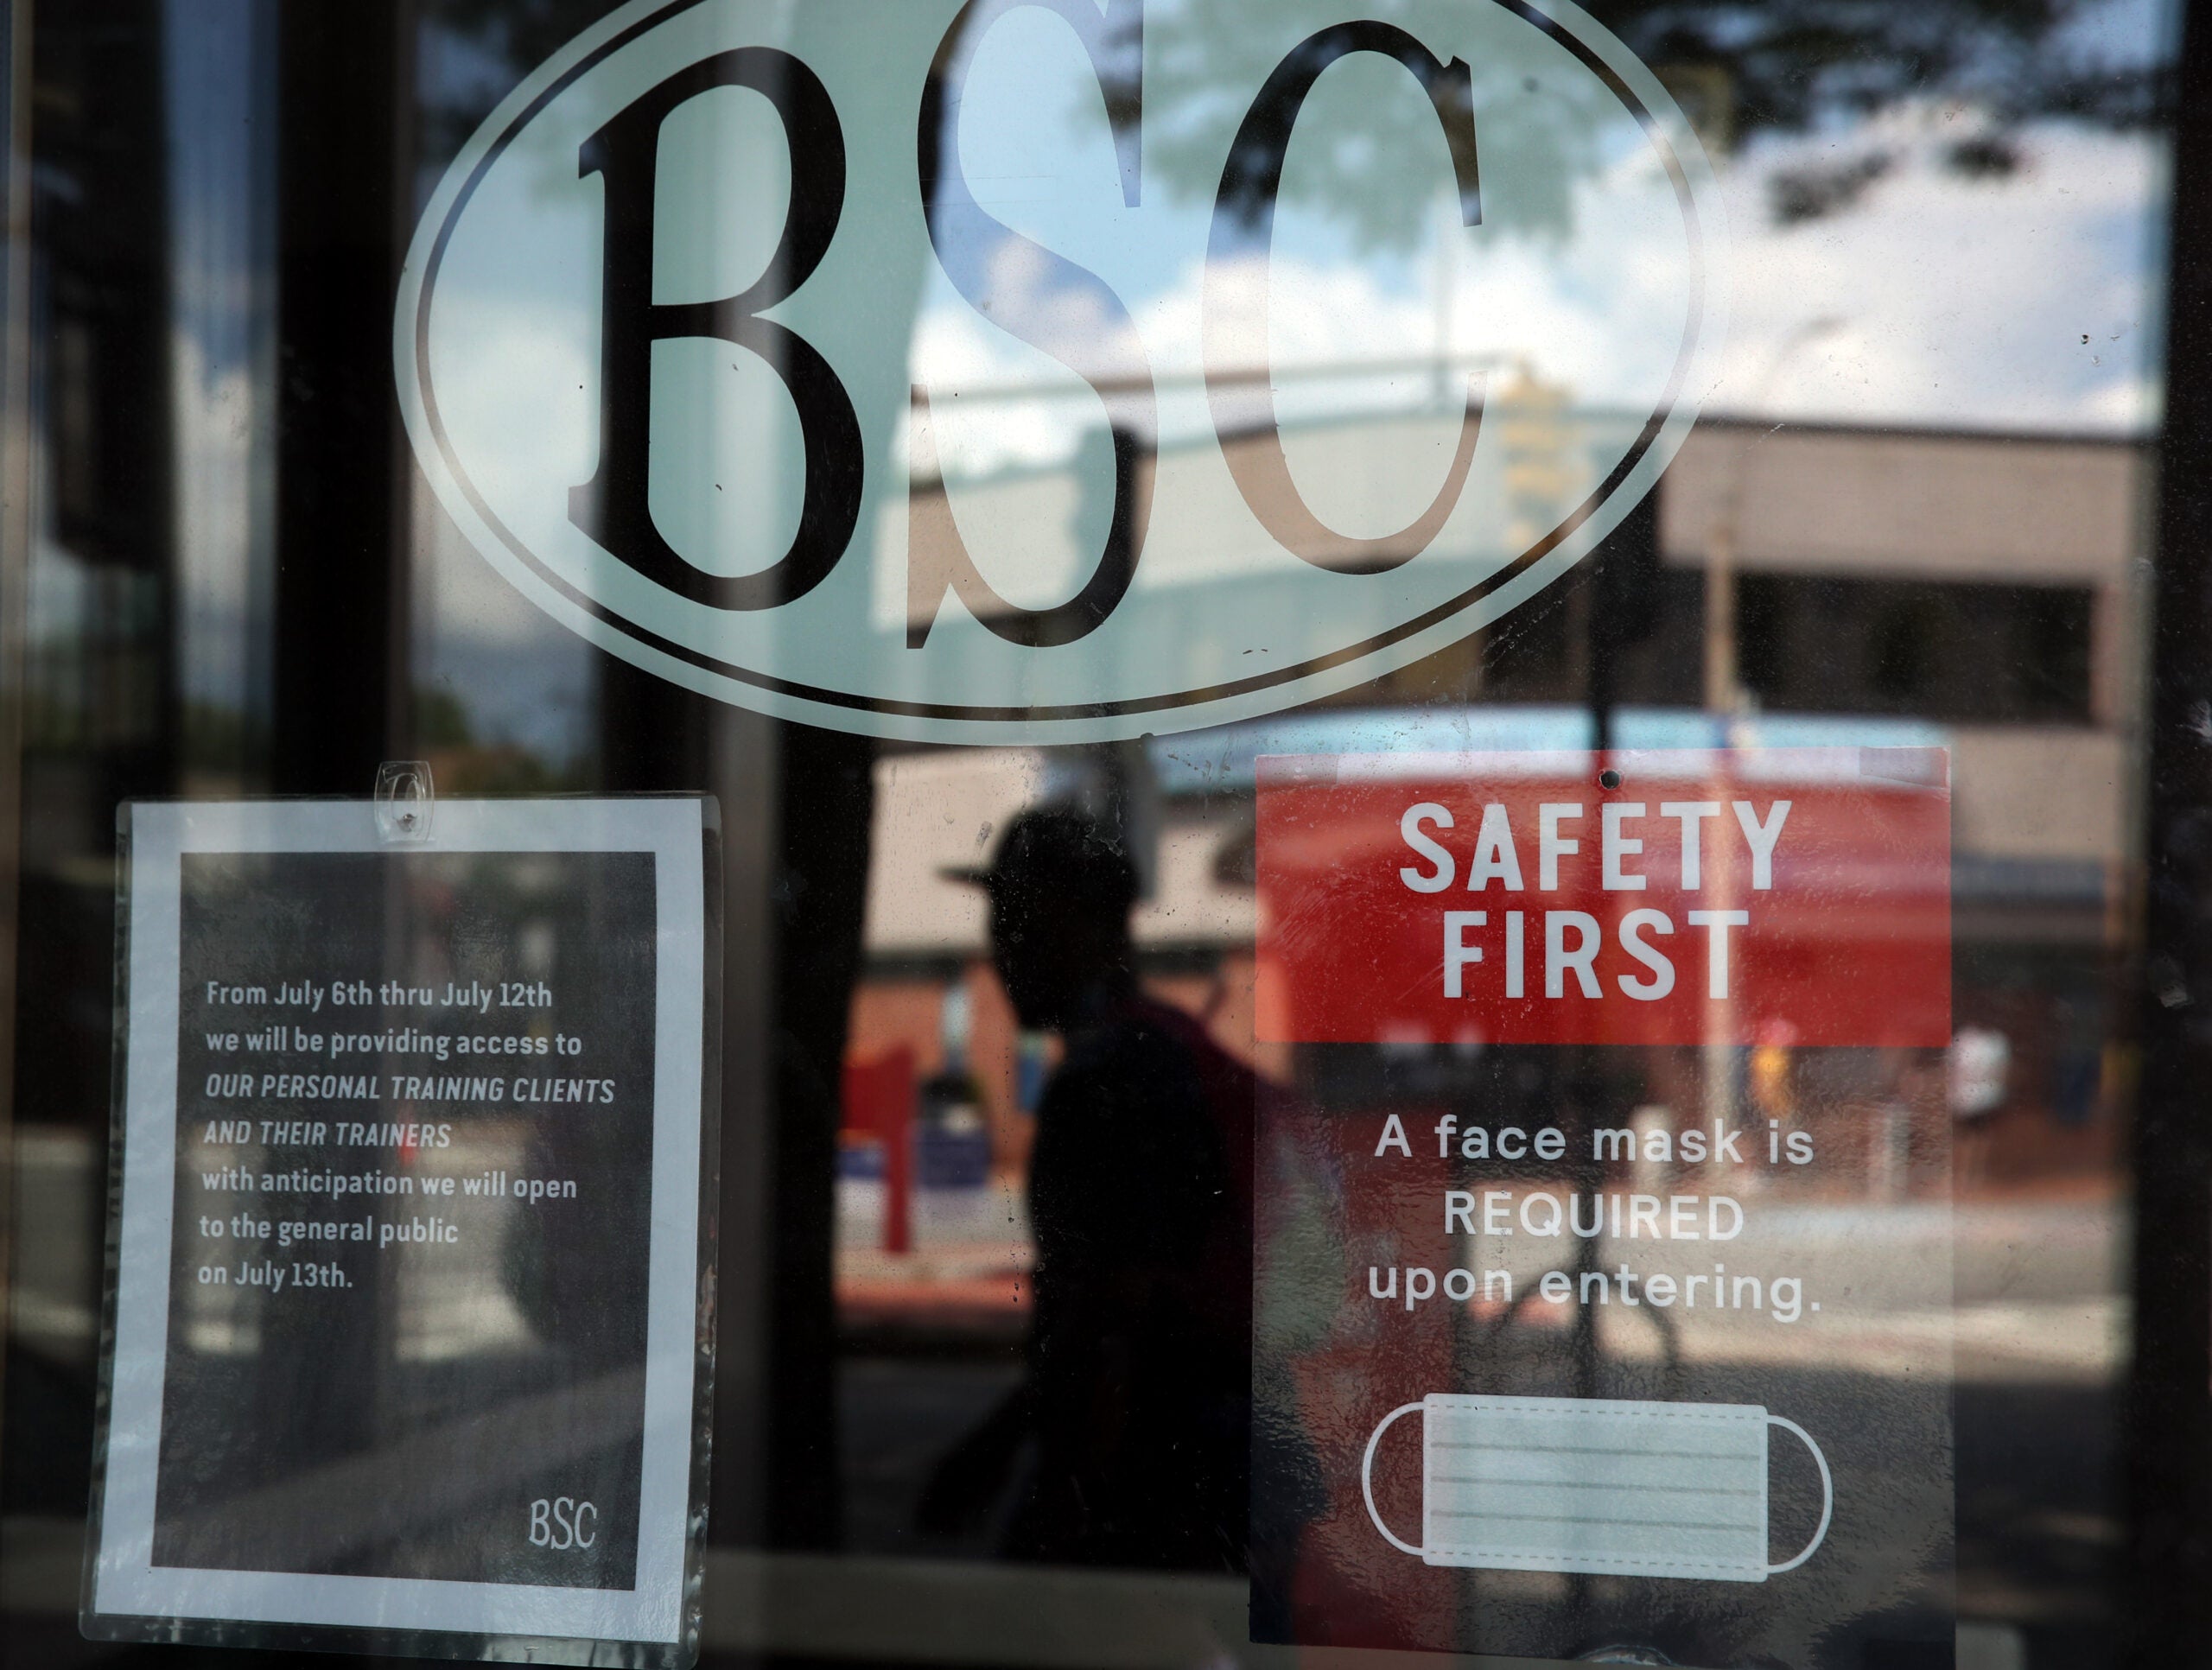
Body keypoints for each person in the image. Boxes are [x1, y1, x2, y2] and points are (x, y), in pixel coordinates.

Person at [922, 806, 1254, 1570]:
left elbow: (1114, 1318)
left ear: (1080, 923)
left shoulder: (1109, 1077)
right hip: (1207, 1459)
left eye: (1016, 919)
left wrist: (1057, 1498)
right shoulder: (1164, 1046)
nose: (999, 949)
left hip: (1158, 1477)